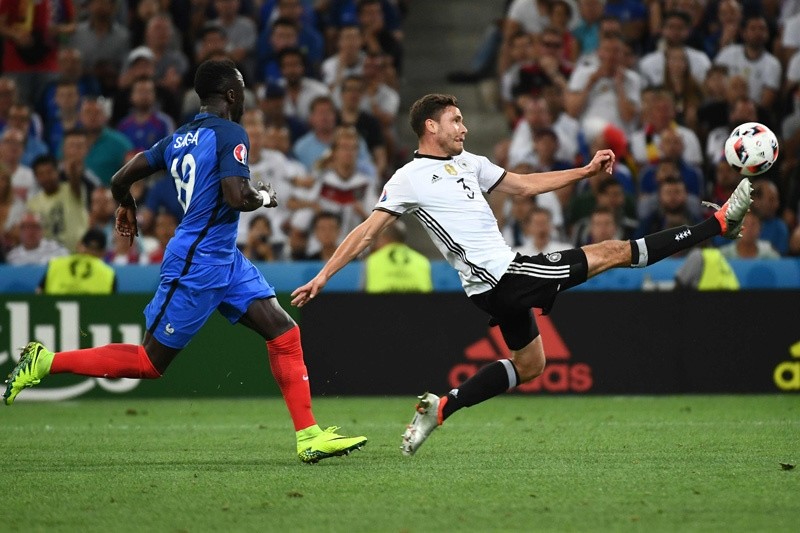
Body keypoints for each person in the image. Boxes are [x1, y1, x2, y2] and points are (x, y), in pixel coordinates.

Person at [290, 93, 753, 456]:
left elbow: (526, 185)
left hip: (498, 285)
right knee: (614, 250)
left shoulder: (471, 163)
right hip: (503, 277)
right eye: (455, 120)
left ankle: (443, 406)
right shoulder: (408, 177)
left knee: (532, 366)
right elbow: (367, 232)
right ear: (430, 126)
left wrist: (587, 171)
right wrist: (325, 276)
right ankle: (718, 223)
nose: (464, 127)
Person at [4, 59, 367, 464]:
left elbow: (120, 178)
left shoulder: (177, 139)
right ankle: (45, 361)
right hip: (197, 261)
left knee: (283, 332)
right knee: (149, 362)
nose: (245, 97)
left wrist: (126, 204)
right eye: (243, 90)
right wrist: (266, 197)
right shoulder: (231, 132)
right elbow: (236, 195)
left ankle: (309, 436)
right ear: (231, 94)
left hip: (223, 256)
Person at [40, 227, 115, 295]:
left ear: (79, 245)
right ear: (103, 253)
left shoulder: (55, 265)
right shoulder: (108, 274)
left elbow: (38, 295)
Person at [364, 220, 432, 293]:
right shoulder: (422, 261)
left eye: (377, 239)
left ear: (385, 238)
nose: (375, 244)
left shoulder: (371, 261)